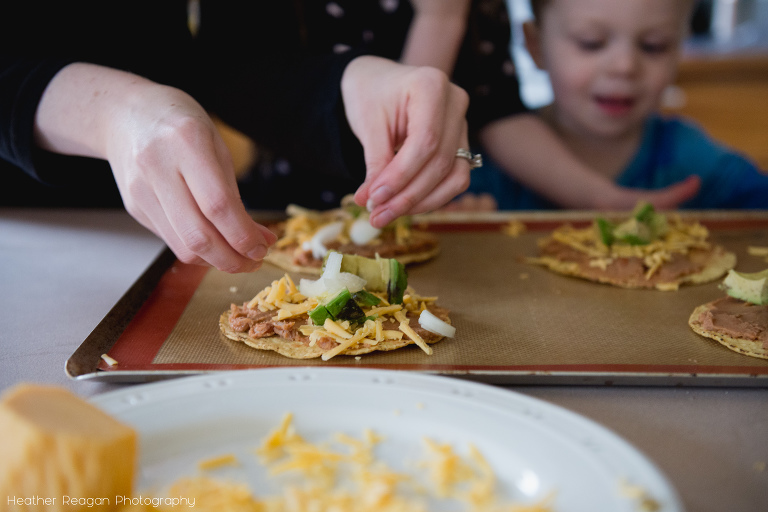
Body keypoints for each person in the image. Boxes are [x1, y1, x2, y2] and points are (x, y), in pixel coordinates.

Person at [0, 1, 474, 273]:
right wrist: (109, 112)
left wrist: (348, 83)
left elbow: (240, 58)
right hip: (23, 237)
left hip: (177, 228)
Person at [467, 0, 768, 209]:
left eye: (653, 46)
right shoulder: (487, 166)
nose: (625, 67)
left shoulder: (694, 161)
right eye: (591, 42)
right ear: (535, 45)